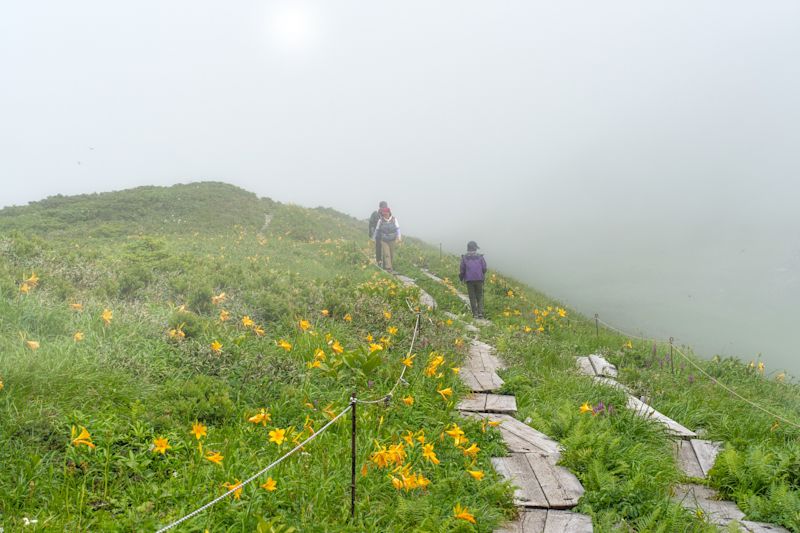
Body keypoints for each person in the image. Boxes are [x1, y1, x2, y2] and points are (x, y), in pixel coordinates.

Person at [459, 241, 487, 319]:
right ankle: (480, 313)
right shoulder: (480, 257)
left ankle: (475, 314)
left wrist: (461, 277)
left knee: (472, 297)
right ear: (475, 248)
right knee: (480, 296)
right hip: (479, 279)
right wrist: (482, 274)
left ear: (468, 248)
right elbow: (484, 268)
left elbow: (462, 269)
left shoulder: (464, 258)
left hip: (469, 280)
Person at [373, 207, 401, 272]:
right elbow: (377, 230)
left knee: (391, 254)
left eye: (386, 213)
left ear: (389, 213)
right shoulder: (380, 221)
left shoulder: (394, 219)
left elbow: (398, 229)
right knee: (386, 254)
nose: (385, 215)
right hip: (384, 240)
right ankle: (388, 268)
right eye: (383, 214)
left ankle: (390, 266)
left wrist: (399, 238)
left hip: (392, 239)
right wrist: (374, 238)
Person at [368, 201, 388, 266]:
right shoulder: (375, 214)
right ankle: (378, 261)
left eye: (386, 206)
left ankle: (385, 262)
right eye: (383, 206)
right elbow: (371, 223)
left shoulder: (387, 214)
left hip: (385, 234)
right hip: (378, 234)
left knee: (385, 248)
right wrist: (371, 233)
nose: (385, 208)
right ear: (380, 207)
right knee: (378, 247)